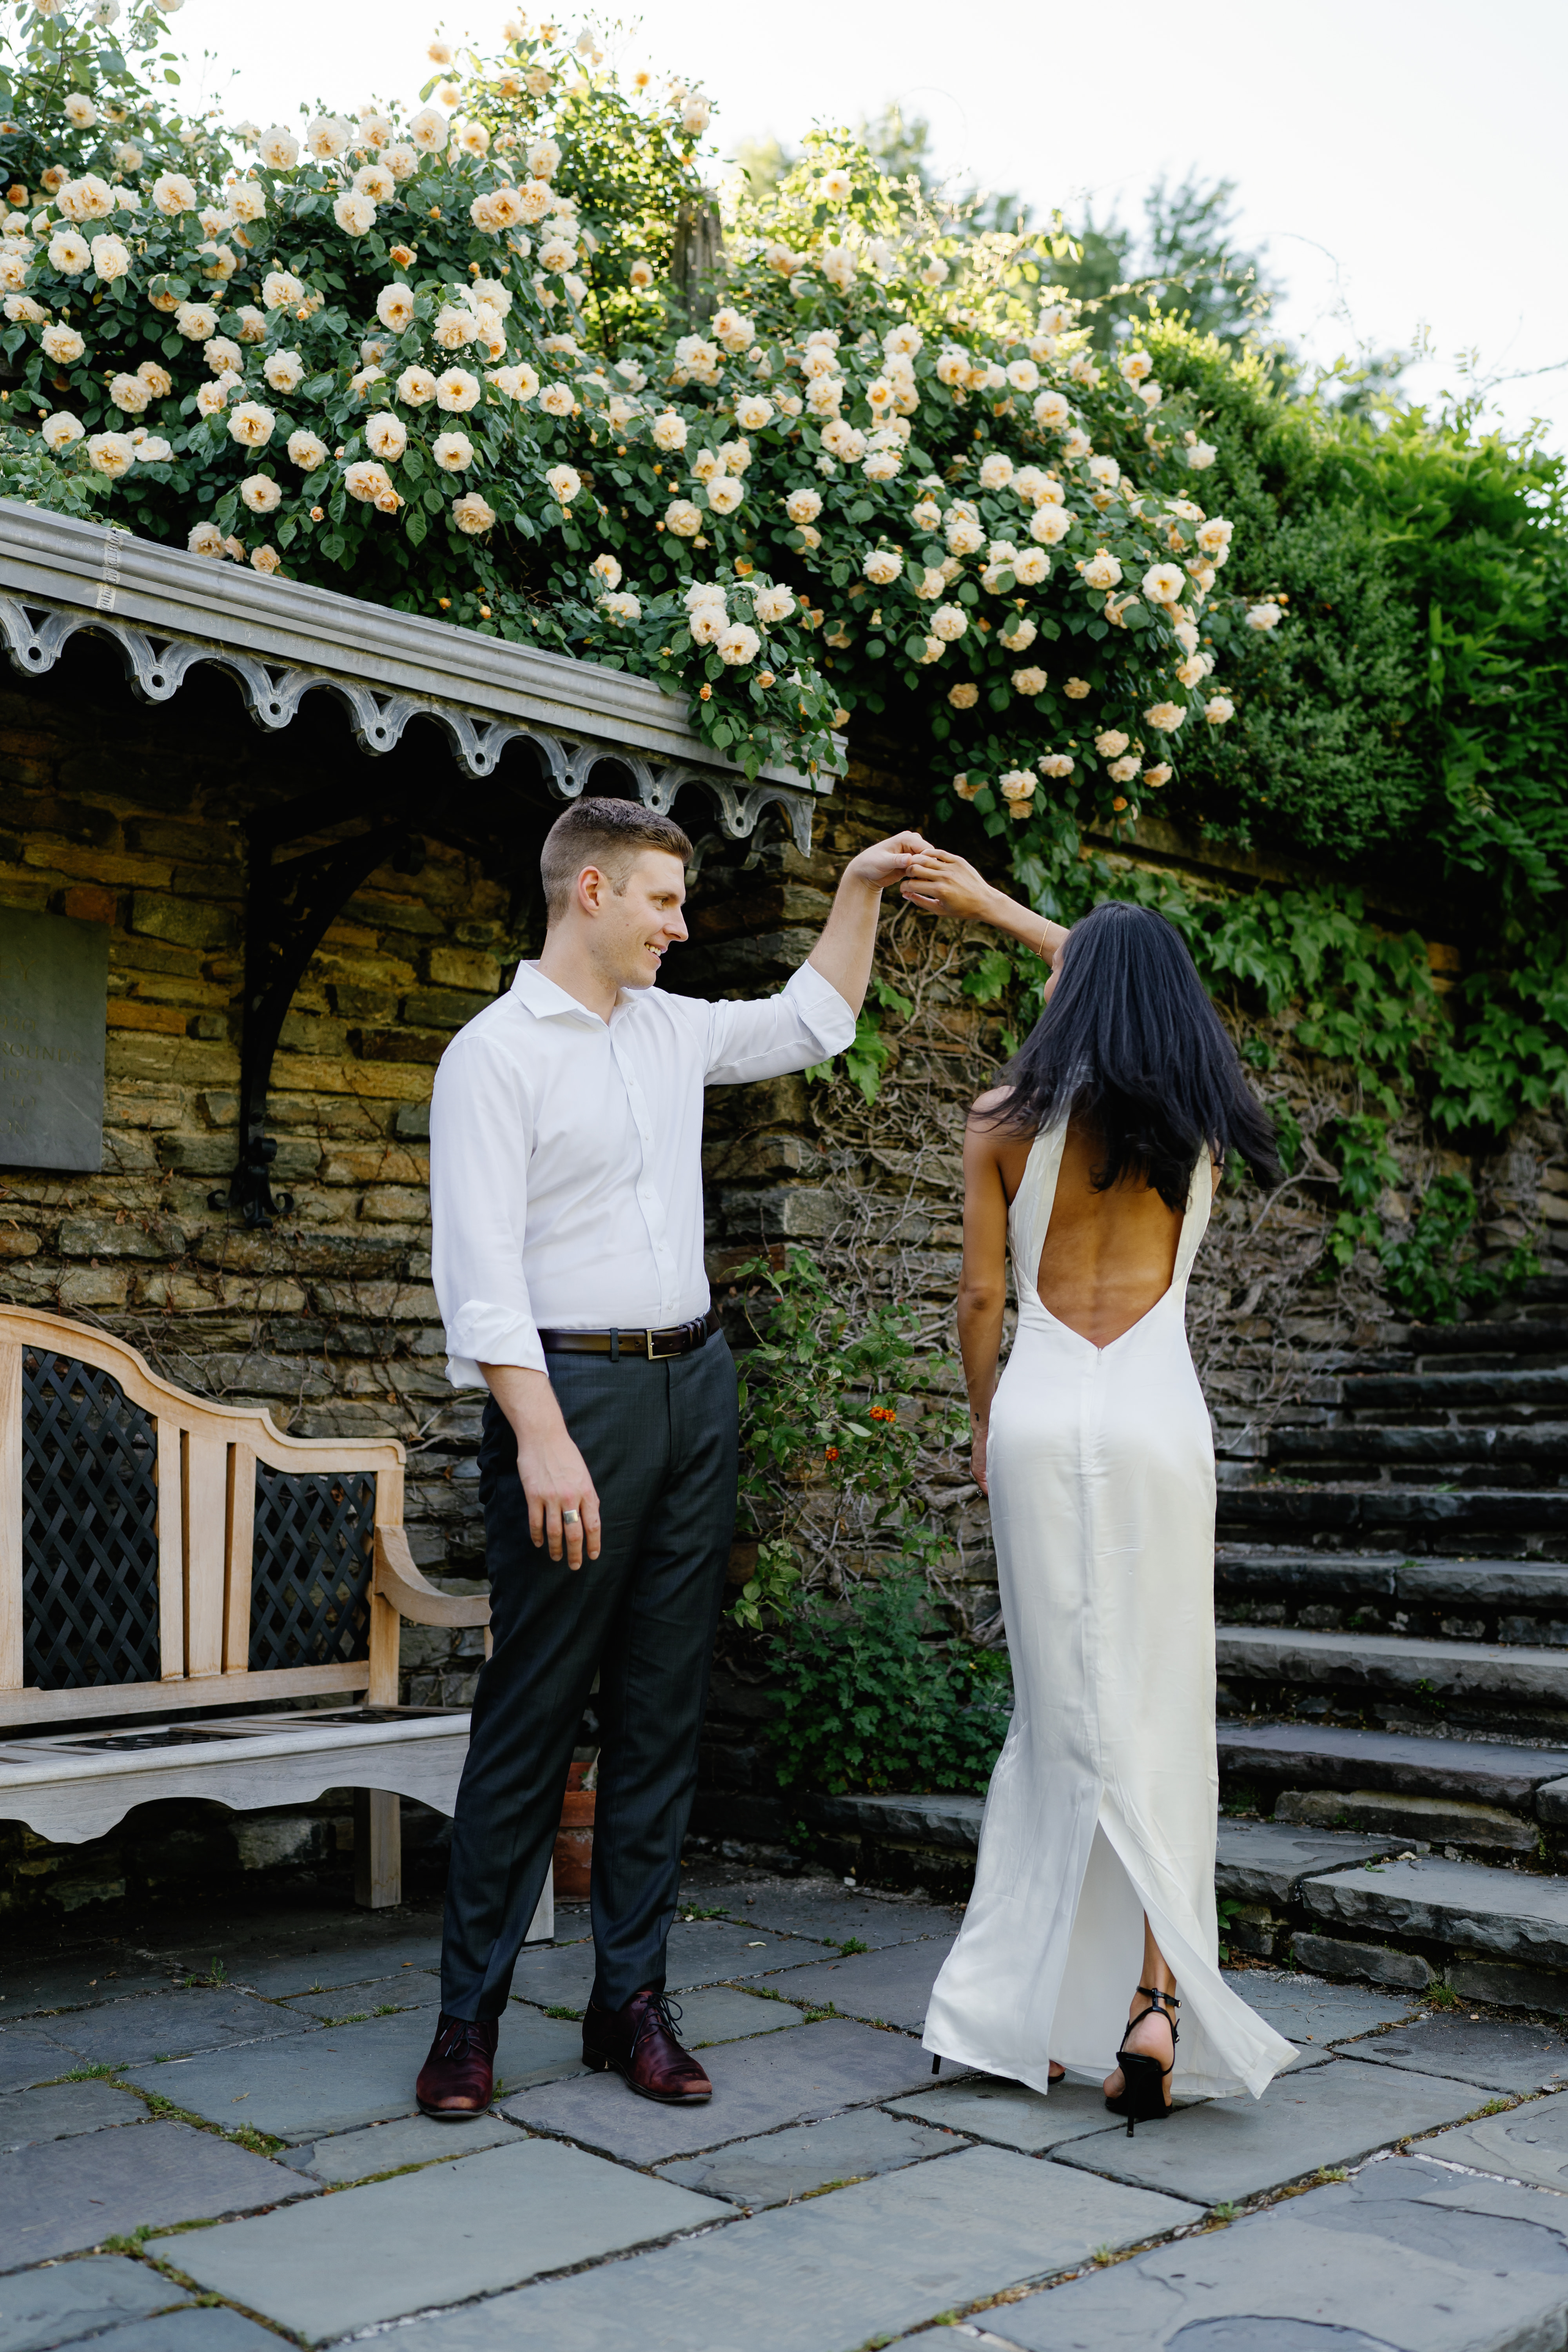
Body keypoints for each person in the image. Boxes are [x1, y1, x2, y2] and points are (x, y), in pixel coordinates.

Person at [416, 796, 929, 2118]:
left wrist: (863, 887)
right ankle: (466, 2020)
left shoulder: (670, 1028)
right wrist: (541, 1439)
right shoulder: (493, 1055)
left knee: (660, 1713)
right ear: (589, 892)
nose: (680, 927)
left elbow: (814, 1019)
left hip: (696, 1385)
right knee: (532, 1715)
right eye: (661, 901)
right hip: (570, 1398)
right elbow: (479, 1280)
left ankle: (628, 2005)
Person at [898, 848, 1296, 2125]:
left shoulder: (1001, 1122)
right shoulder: (1204, 1117)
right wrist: (1021, 916)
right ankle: (1153, 2003)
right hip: (1158, 1418)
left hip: (1041, 1405)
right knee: (1163, 1710)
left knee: (1059, 1708)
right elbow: (1124, 976)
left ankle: (1012, 2009)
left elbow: (975, 1298)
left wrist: (981, 1415)